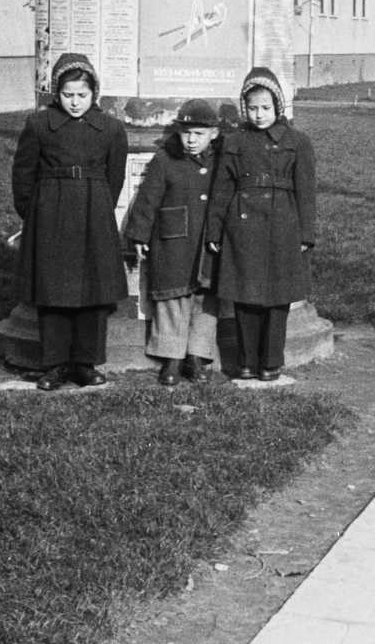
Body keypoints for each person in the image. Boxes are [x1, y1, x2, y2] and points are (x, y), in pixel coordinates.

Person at [12, 53, 129, 391]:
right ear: (55, 92)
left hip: (94, 213)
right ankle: (54, 363)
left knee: (93, 289)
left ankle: (86, 363)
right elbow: (23, 174)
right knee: (53, 288)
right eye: (67, 95)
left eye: (82, 95)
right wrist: (34, 213)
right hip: (49, 213)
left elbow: (114, 177)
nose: (75, 102)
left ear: (94, 93)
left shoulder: (110, 128)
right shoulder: (39, 125)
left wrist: (99, 206)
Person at [205, 68, 317, 382]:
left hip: (284, 225)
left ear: (278, 107)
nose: (259, 115)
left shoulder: (297, 141)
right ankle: (246, 362)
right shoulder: (235, 142)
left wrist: (306, 232)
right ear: (245, 108)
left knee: (277, 298)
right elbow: (222, 188)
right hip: (243, 227)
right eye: (252, 108)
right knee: (246, 295)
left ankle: (270, 363)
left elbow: (306, 191)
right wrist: (215, 229)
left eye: (265, 108)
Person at [124, 98, 223, 387]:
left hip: (208, 242)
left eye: (199, 134)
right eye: (186, 132)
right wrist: (139, 234)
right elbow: (148, 199)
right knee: (171, 297)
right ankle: (172, 357)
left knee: (205, 300)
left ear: (213, 134)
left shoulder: (222, 162)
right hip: (173, 241)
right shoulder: (165, 160)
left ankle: (196, 356)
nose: (191, 140)